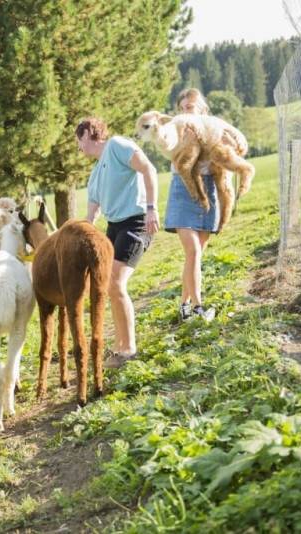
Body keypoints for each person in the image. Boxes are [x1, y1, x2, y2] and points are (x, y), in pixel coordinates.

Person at [76, 117, 160, 368]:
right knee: (108, 285)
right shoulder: (94, 175)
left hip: (136, 222)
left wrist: (152, 209)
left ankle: (129, 349)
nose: (78, 146)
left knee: (115, 282)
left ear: (88, 134)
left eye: (78, 140)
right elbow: (91, 215)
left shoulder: (117, 146)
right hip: (114, 228)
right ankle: (120, 346)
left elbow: (148, 169)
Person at [165, 88, 218, 322]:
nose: (186, 111)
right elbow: (168, 147)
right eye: (183, 108)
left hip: (208, 188)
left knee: (195, 254)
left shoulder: (214, 127)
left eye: (190, 107)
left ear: (202, 108)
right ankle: (198, 308)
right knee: (193, 251)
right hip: (183, 187)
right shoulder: (174, 129)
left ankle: (184, 305)